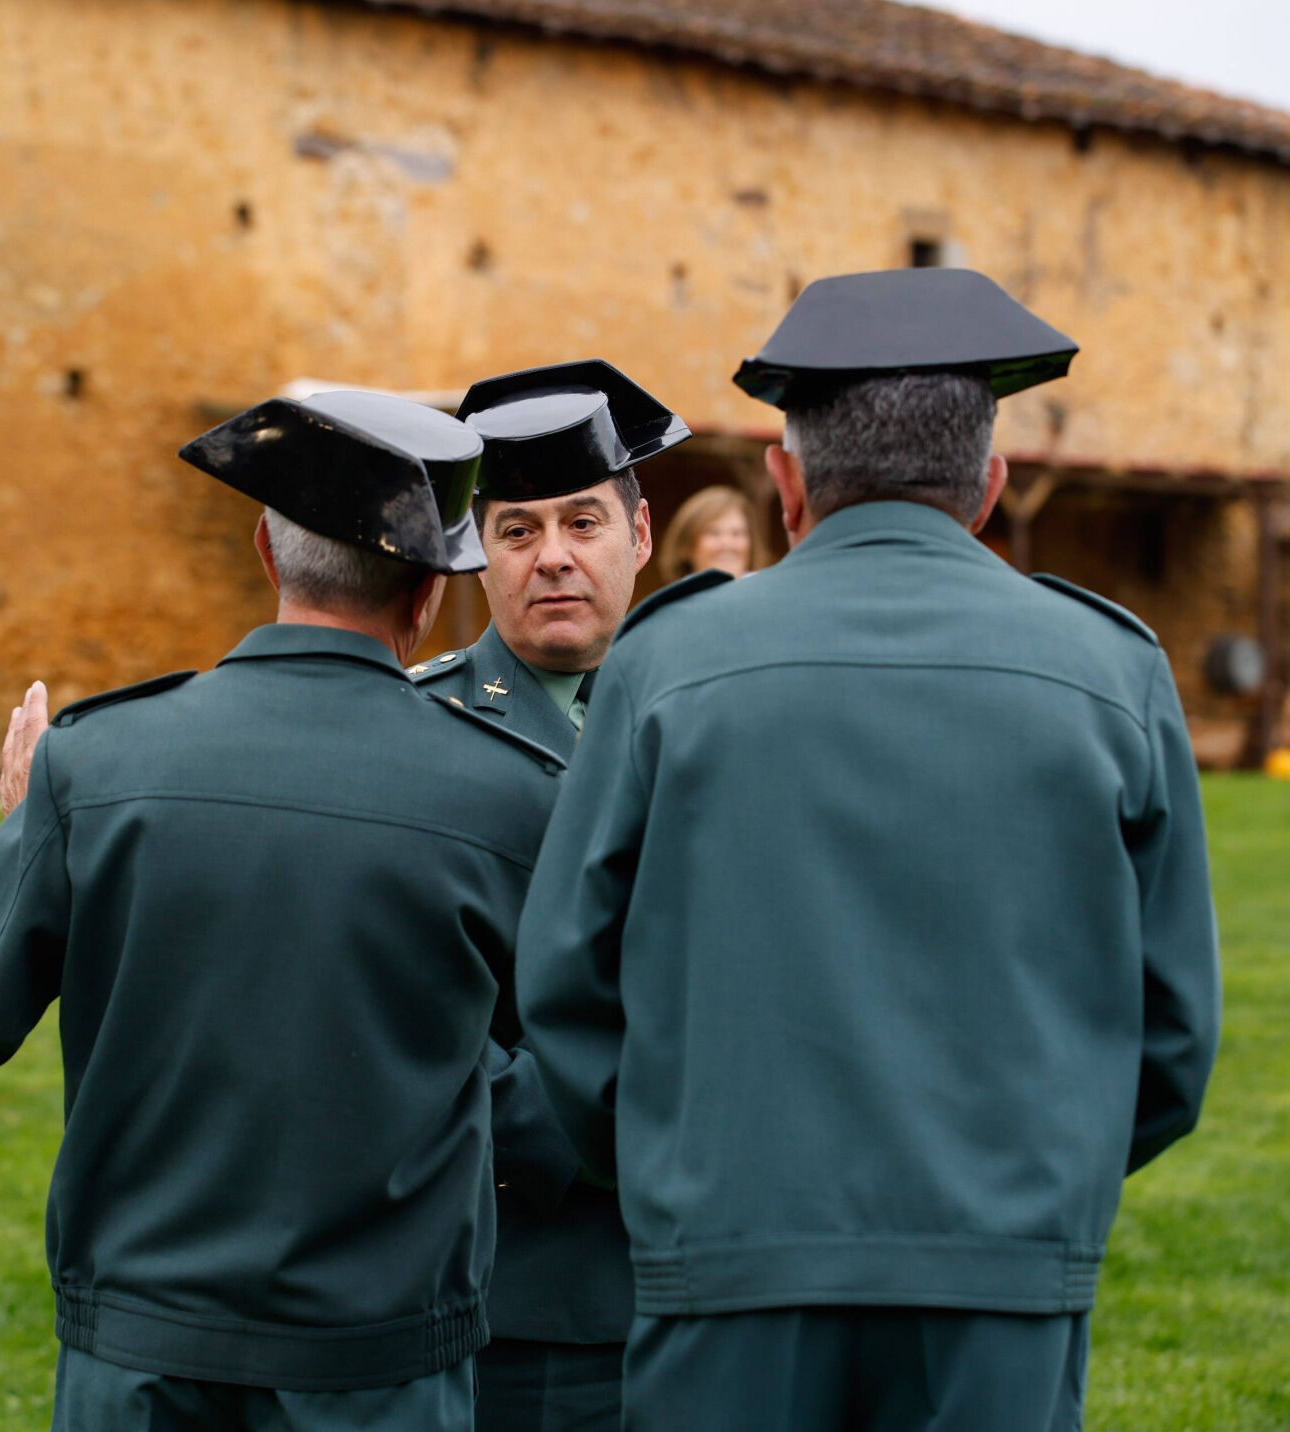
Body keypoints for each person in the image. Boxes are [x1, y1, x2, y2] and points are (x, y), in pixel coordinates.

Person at [516, 268, 1220, 1432]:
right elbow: (1173, 1031)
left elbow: (565, 982)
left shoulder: (666, 662)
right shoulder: (1112, 670)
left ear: (784, 482)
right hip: (997, 1274)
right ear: (988, 486)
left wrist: (668, 1165)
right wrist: (1028, 1193)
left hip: (726, 1263)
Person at [0, 392, 565, 1431]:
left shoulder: (100, 758)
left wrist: (21, 824)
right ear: (432, 590)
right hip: (379, 1367)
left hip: (141, 1360)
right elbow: (580, 1059)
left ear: (265, 548)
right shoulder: (510, 794)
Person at [410, 358, 688, 1430]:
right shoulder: (412, 734)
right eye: (516, 531)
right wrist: (624, 1123)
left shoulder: (723, 716)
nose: (554, 558)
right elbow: (393, 1012)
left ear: (640, 533)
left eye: (582, 522)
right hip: (522, 1292)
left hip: (726, 1283)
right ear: (478, 550)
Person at [657, 483, 760, 582]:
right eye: (714, 533)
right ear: (687, 546)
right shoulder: (675, 599)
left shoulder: (769, 595)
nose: (727, 543)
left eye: (736, 533)